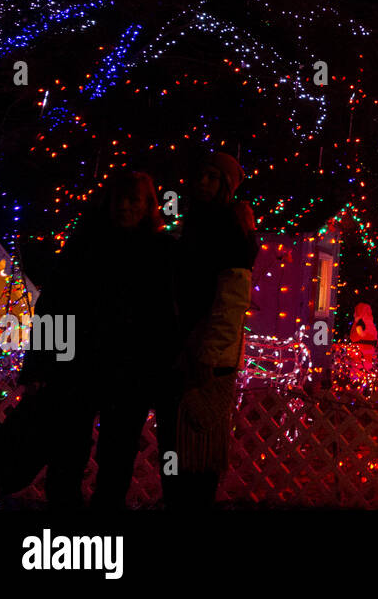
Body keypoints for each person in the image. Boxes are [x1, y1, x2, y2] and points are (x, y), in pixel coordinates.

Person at [18, 169, 176, 509]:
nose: (125, 207)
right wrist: (39, 363)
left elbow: (166, 315)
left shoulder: (160, 250)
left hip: (129, 367)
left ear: (147, 204)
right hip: (79, 364)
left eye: (134, 200)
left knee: (117, 452)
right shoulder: (85, 245)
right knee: (68, 448)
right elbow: (53, 305)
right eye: (120, 199)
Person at [159, 152, 257, 509]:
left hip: (204, 358)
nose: (202, 183)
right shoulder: (193, 226)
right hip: (181, 351)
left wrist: (210, 353)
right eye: (199, 175)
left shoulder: (227, 227)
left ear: (226, 186)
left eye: (212, 177)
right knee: (175, 448)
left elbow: (232, 296)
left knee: (198, 449)